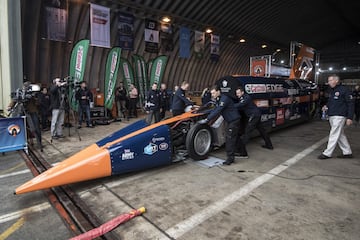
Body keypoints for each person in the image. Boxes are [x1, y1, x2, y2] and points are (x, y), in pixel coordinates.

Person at [199, 85, 248, 165]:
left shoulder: (224, 99)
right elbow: (214, 108)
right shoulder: (219, 99)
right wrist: (202, 111)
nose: (213, 95)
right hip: (232, 120)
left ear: (218, 91)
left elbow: (218, 109)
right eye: (212, 94)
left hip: (233, 120)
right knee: (235, 137)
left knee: (229, 139)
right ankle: (243, 153)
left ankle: (230, 159)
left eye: (214, 93)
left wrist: (207, 119)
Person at [318, 74, 354, 159]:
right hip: (332, 115)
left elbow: (351, 104)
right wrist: (326, 106)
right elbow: (331, 102)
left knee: (334, 134)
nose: (329, 82)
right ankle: (347, 152)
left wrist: (350, 117)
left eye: (330, 80)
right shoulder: (332, 90)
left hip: (339, 116)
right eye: (329, 80)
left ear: (336, 81)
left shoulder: (344, 90)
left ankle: (327, 153)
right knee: (340, 134)